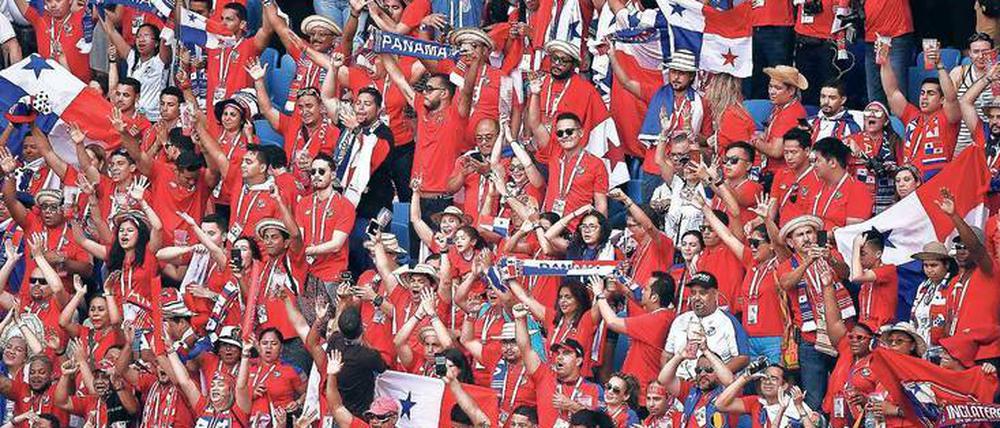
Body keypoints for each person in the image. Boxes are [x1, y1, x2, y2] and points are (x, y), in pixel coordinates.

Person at [776, 214, 854, 410]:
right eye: (800, 235)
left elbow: (846, 274)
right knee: (814, 397)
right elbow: (786, 283)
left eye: (809, 232)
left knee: (844, 390)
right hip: (810, 339)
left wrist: (832, 261)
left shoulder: (831, 254)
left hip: (844, 335)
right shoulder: (787, 265)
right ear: (790, 242)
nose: (806, 238)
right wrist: (807, 262)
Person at [610, 49, 709, 199]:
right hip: (654, 167)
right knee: (651, 216)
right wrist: (611, 55)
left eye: (681, 73)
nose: (676, 77)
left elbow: (707, 141)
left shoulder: (702, 103)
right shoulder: (657, 93)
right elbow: (626, 83)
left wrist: (690, 132)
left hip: (685, 169)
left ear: (691, 76)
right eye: (673, 72)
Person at [881, 39, 962, 180]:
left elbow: (951, 98)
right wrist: (884, 60)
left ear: (942, 100)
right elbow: (892, 92)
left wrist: (940, 66)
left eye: (931, 93)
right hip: (907, 182)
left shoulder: (947, 117)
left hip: (935, 183)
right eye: (922, 93)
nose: (924, 97)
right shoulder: (912, 115)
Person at [512, 303, 602, 428]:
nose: (559, 357)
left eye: (566, 353)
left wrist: (572, 406)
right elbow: (525, 349)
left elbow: (600, 423)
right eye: (558, 353)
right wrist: (520, 319)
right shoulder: (544, 376)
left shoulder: (593, 389)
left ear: (578, 360)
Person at [590, 271, 675, 395]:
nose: (641, 292)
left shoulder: (657, 320)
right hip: (641, 388)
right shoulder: (664, 315)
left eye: (645, 289)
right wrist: (623, 289)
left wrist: (599, 294)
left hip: (640, 391)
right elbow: (640, 302)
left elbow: (612, 322)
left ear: (654, 297)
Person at [662, 272, 749, 380]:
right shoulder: (680, 320)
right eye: (693, 293)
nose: (696, 298)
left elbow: (743, 358)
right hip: (680, 385)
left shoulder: (728, 321)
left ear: (715, 294)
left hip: (712, 387)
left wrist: (714, 376)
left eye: (703, 293)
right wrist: (670, 379)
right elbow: (667, 355)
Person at [716, 364, 819, 428]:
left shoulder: (795, 404)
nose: (767, 382)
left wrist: (798, 408)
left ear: (784, 385)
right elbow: (720, 404)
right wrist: (745, 378)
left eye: (774, 379)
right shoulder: (756, 402)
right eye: (764, 378)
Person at [844, 101, 902, 214]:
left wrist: (893, 169)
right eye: (868, 112)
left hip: (888, 201)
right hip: (859, 199)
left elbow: (904, 168)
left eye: (877, 112)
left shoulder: (895, 141)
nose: (871, 115)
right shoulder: (852, 140)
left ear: (885, 122)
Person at [958, 62, 1000, 212]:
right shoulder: (983, 131)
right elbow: (965, 102)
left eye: (999, 117)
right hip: (979, 203)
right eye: (992, 117)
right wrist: (987, 79)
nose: (995, 121)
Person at [808, 137, 874, 228]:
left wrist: (820, 238)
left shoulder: (857, 189)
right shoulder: (816, 186)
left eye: (818, 161)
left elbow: (850, 233)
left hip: (834, 241)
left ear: (832, 163)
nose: (814, 166)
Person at [755, 66, 808, 176]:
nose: (772, 92)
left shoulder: (791, 114)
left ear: (791, 91)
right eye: (770, 87)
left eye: (777, 88)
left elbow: (776, 151)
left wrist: (752, 140)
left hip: (780, 174)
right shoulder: (780, 107)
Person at [952, 32, 997, 152]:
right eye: (976, 51)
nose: (981, 56)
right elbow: (948, 109)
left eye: (986, 51)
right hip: (959, 145)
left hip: (989, 145)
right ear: (970, 54)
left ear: (993, 52)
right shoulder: (958, 74)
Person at [909, 241, 957, 346]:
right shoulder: (923, 287)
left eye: (934, 265)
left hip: (941, 347)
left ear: (947, 265)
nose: (929, 270)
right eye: (926, 265)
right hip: (920, 345)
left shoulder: (954, 286)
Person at [849, 230, 898, 328]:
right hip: (865, 328)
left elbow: (856, 277)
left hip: (881, 330)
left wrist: (856, 246)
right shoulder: (866, 274)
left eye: (862, 254)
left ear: (878, 254)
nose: (859, 257)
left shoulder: (888, 269)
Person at [770, 128, 821, 223]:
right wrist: (755, 223)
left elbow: (815, 215)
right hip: (782, 231)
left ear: (807, 151)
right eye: (786, 152)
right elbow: (771, 208)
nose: (789, 157)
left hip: (805, 230)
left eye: (793, 152)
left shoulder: (819, 176)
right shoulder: (781, 173)